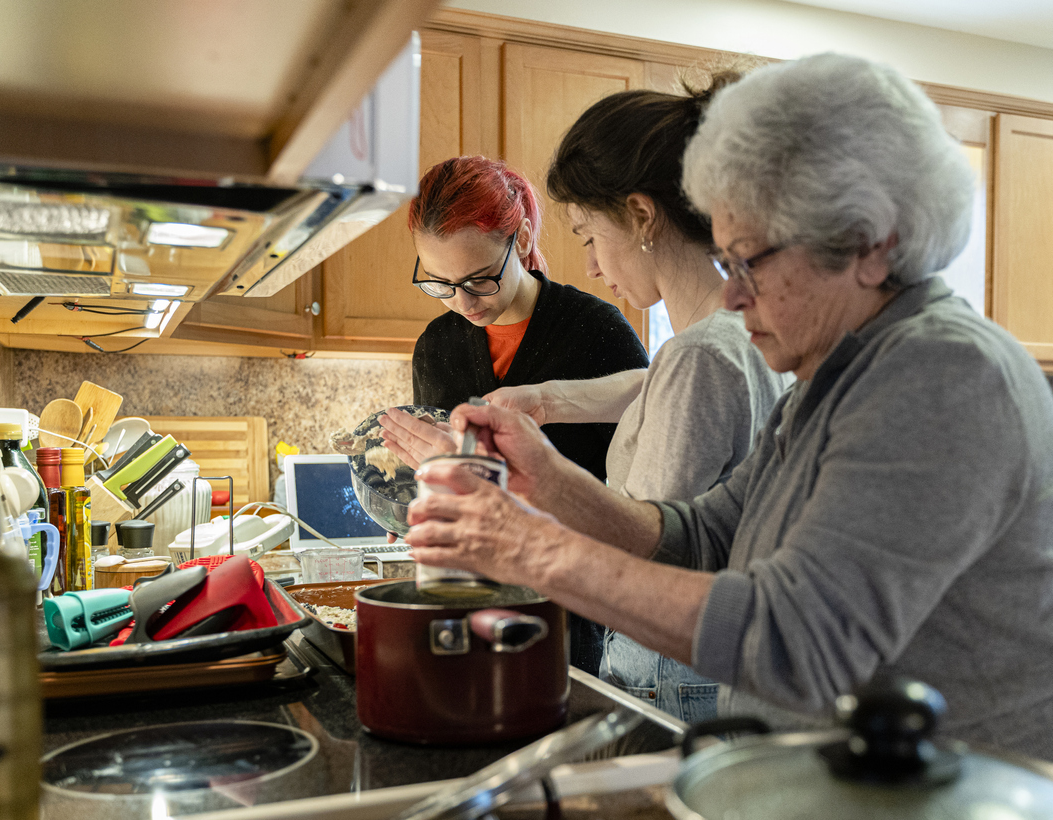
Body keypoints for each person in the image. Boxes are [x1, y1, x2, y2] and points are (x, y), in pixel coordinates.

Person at [402, 52, 1053, 759]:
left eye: (750, 262)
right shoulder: (833, 376)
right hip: (835, 811)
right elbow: (703, 536)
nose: (733, 297)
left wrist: (527, 544)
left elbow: (795, 638)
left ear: (870, 244)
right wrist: (548, 485)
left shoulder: (941, 375)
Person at [383, 83, 792, 723]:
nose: (591, 264)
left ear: (640, 215)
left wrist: (480, 481)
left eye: (589, 235)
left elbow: (638, 541)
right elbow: (657, 386)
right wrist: (545, 402)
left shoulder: (696, 354)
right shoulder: (738, 336)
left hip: (665, 667)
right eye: (441, 285)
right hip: (693, 658)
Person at [406, 155, 651, 674]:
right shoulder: (436, 346)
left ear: (519, 239)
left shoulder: (596, 331)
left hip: (573, 609)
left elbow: (639, 495)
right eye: (440, 283)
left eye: (478, 279)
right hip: (466, 598)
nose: (462, 302)